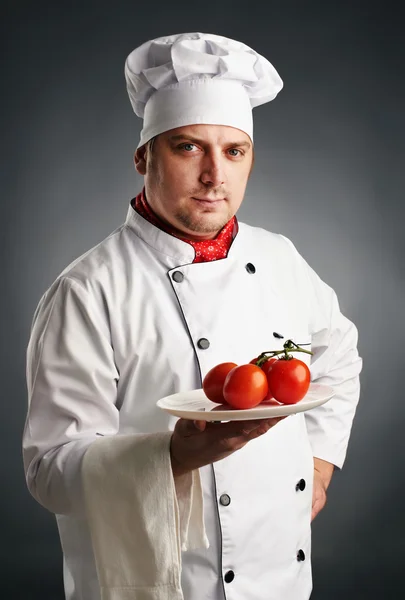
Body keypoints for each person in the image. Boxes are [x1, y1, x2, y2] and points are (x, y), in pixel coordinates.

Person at [22, 32, 362, 600]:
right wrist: (174, 456)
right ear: (142, 157)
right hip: (159, 582)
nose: (214, 176)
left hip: (281, 578)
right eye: (187, 147)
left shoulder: (279, 256)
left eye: (234, 151)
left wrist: (321, 464)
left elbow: (340, 357)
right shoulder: (87, 289)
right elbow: (50, 471)